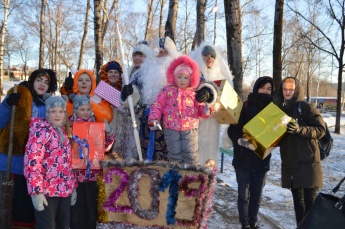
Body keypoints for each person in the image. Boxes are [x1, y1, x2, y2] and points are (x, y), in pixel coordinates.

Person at [0, 69, 58, 229]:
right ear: (32, 80)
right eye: (39, 80)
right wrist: (6, 104)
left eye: (47, 82)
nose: (42, 84)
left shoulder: (48, 104)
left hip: (37, 169)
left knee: (30, 214)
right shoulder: (19, 97)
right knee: (13, 211)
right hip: (14, 164)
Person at [273, 77, 325, 226]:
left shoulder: (306, 107)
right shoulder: (280, 111)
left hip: (309, 164)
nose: (288, 91)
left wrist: (299, 129)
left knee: (310, 207)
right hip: (292, 165)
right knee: (298, 205)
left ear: (296, 89)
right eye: (285, 88)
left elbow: (321, 130)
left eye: (291, 88)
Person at [121, 36, 180, 161]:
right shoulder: (142, 73)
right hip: (146, 121)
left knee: (170, 157)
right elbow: (133, 95)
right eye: (159, 52)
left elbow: (198, 81)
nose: (162, 55)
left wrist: (207, 91)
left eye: (166, 52)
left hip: (172, 122)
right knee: (145, 153)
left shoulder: (181, 70)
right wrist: (128, 93)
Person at [148, 55, 214, 165]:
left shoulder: (194, 93)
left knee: (191, 154)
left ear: (191, 79)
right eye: (179, 77)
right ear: (174, 77)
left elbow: (201, 108)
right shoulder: (167, 90)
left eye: (186, 77)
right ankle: (176, 177)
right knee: (174, 155)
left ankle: (194, 177)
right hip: (171, 128)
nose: (182, 80)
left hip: (190, 127)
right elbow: (157, 105)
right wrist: (154, 118)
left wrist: (206, 111)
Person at [24, 93, 77, 229]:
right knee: (47, 226)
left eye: (61, 111)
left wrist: (72, 187)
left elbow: (68, 163)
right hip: (46, 191)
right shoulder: (40, 133)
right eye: (53, 111)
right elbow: (32, 163)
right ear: (47, 112)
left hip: (64, 190)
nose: (58, 115)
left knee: (63, 225)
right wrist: (36, 192)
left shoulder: (66, 133)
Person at [227, 76, 274, 229]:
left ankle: (253, 222)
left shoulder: (274, 110)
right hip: (243, 159)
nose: (265, 91)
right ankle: (245, 224)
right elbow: (232, 129)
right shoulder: (245, 106)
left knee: (256, 196)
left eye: (269, 89)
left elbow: (276, 135)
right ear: (256, 88)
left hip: (262, 160)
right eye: (263, 88)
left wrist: (275, 142)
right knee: (243, 195)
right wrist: (240, 140)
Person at [68, 94, 114, 229]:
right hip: (75, 176)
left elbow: (105, 146)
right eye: (82, 109)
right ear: (76, 110)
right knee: (77, 209)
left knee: (91, 208)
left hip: (92, 175)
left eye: (88, 109)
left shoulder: (96, 125)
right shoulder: (69, 127)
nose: (86, 112)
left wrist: (109, 134)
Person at [190, 42, 234, 165]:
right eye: (206, 55)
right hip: (194, 120)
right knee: (195, 152)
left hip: (213, 122)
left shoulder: (221, 76)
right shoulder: (192, 74)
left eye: (212, 56)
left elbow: (229, 103)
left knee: (210, 154)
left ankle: (209, 177)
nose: (209, 58)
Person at [112, 41, 151, 160]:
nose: (137, 58)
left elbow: (146, 97)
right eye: (135, 55)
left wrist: (134, 93)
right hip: (124, 115)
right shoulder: (127, 73)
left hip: (138, 117)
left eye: (141, 55)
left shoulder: (148, 74)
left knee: (134, 147)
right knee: (122, 146)